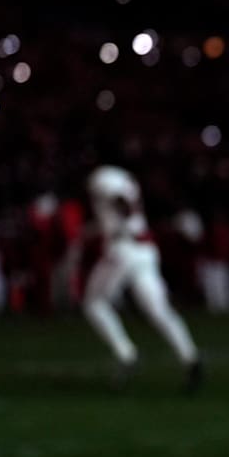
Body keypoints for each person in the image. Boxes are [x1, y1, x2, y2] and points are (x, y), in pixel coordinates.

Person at [83, 165, 202, 391]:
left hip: (123, 248)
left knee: (94, 303)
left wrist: (122, 215)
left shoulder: (105, 177)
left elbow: (120, 202)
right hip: (144, 250)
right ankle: (191, 358)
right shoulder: (125, 178)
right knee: (158, 310)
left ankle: (126, 354)